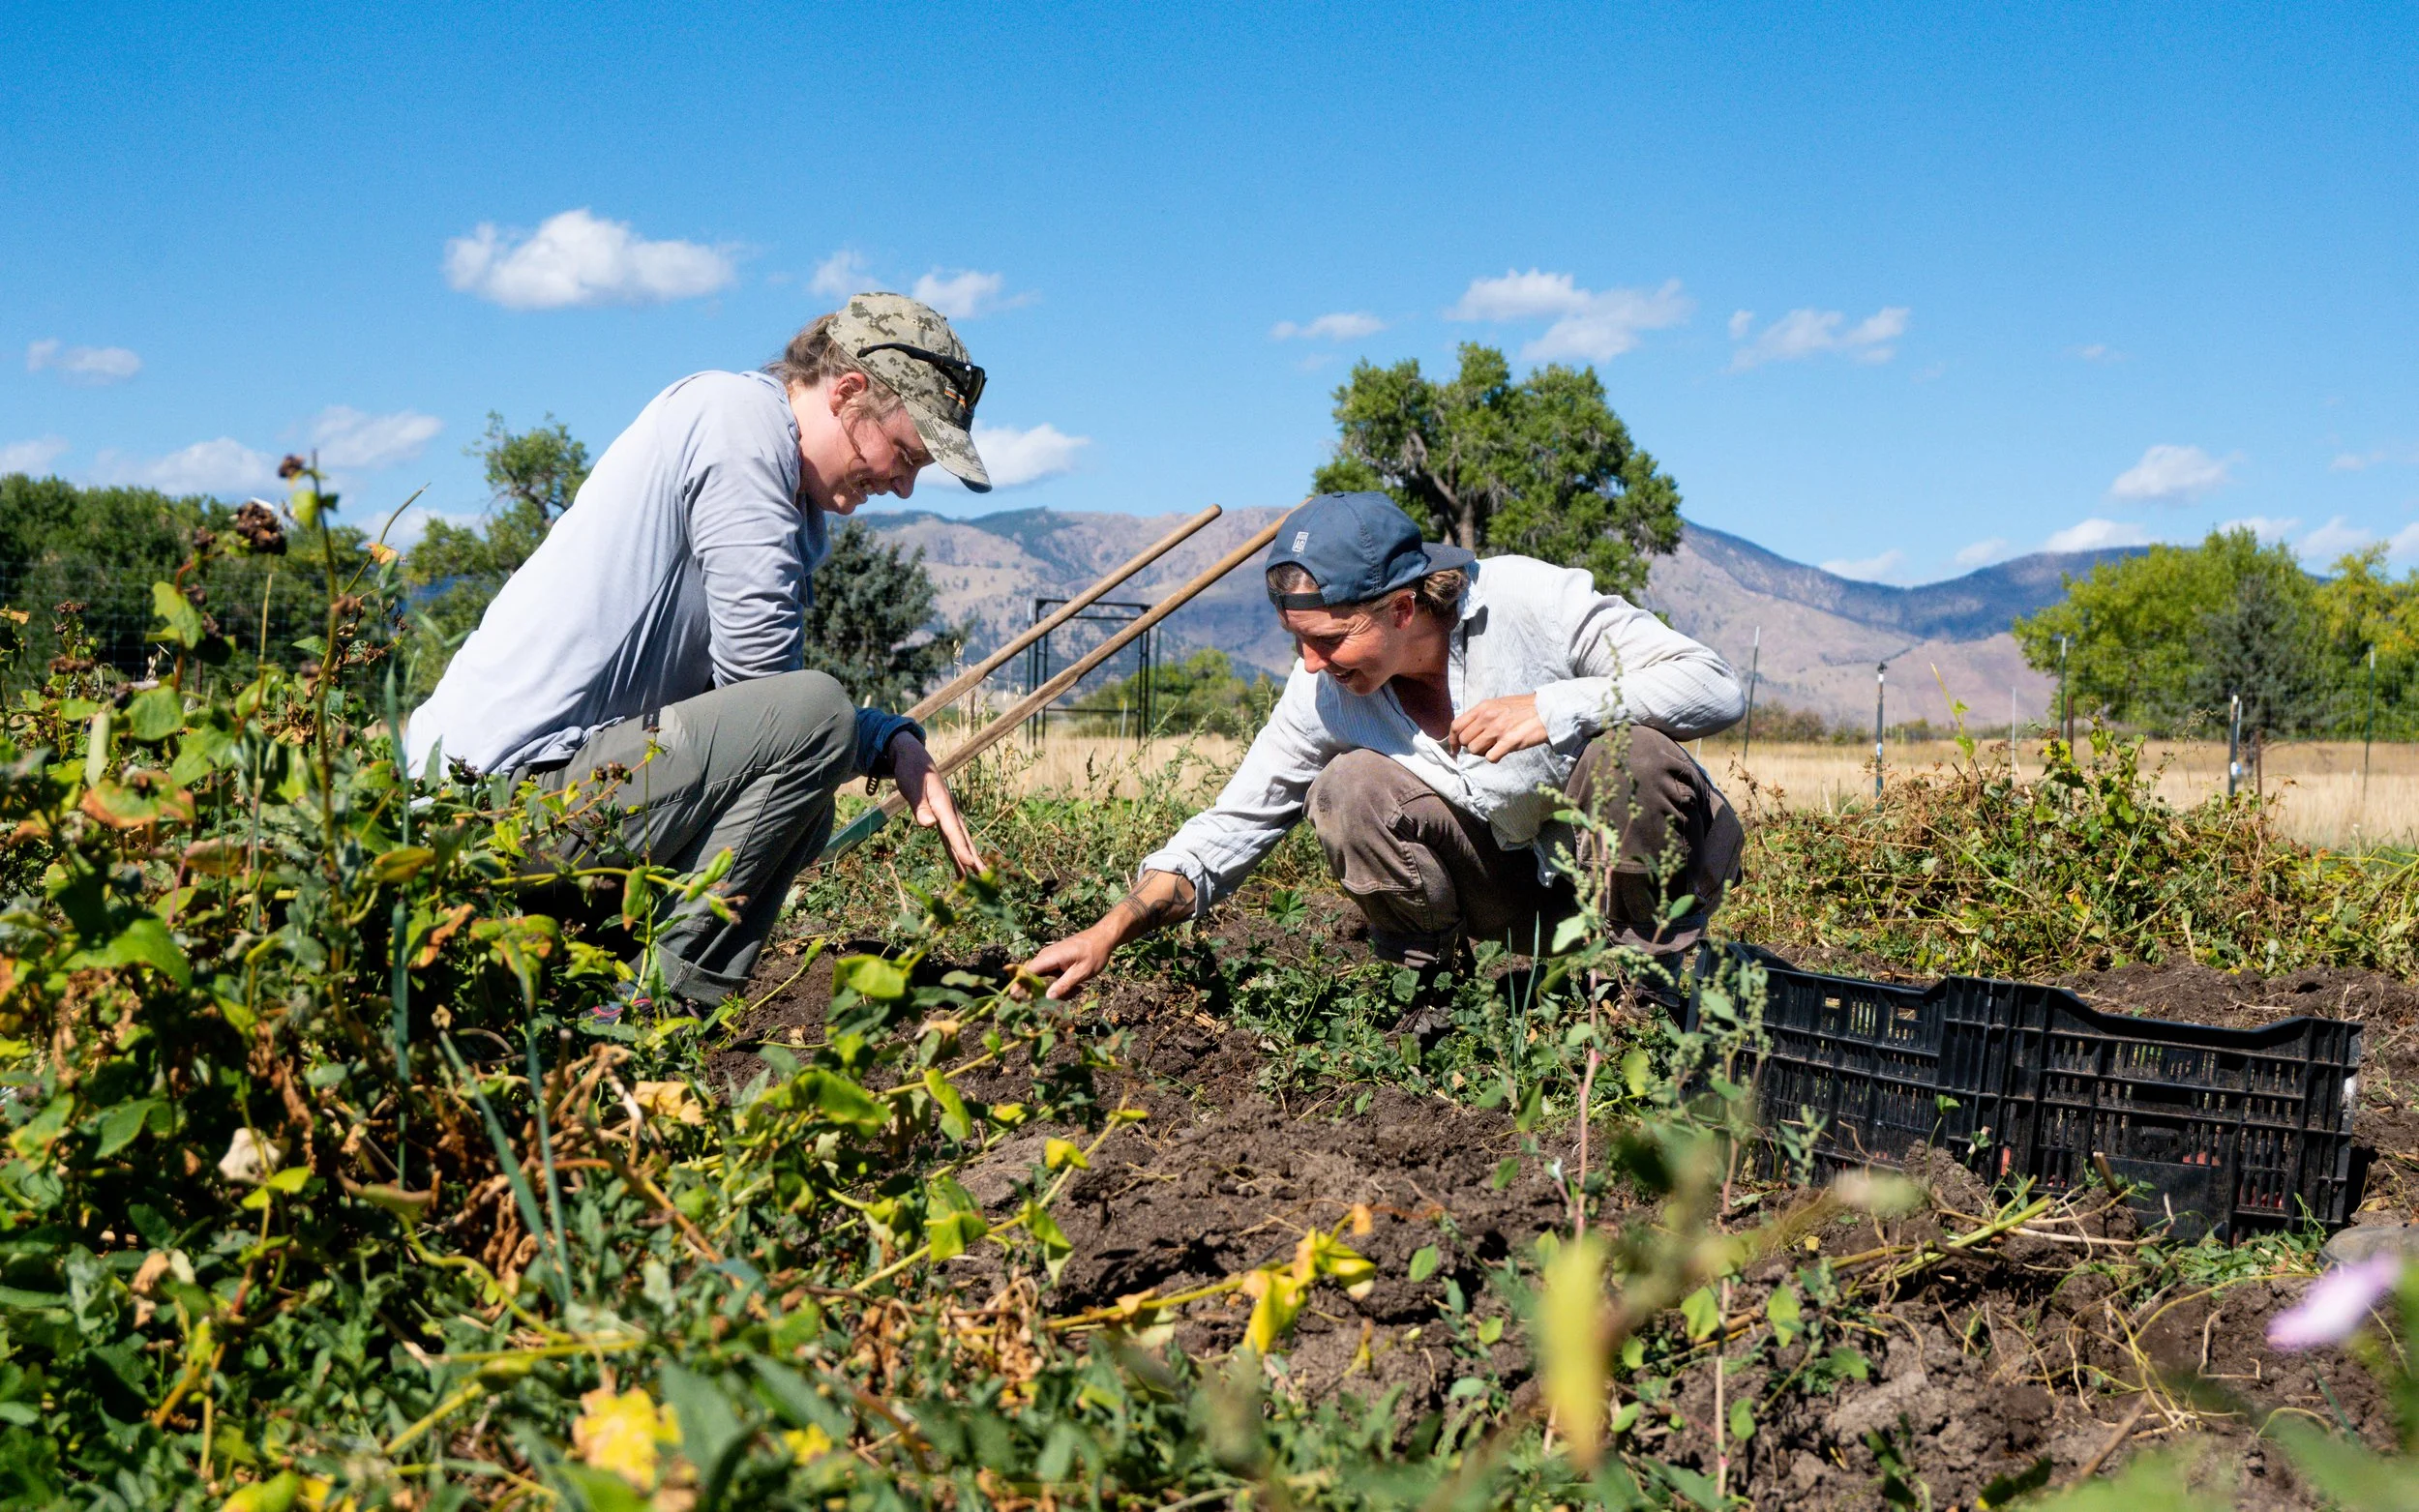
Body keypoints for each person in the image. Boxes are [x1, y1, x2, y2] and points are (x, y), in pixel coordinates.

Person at [405, 292, 990, 1013]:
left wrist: (888, 739)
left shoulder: (780, 477)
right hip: (491, 806)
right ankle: (650, 1013)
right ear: (846, 394)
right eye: (902, 454)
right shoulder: (738, 427)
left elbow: (754, 721)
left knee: (807, 799)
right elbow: (775, 700)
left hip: (537, 798)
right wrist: (872, 737)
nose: (901, 485)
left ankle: (591, 964)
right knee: (817, 721)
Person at [1019, 490, 1747, 1023]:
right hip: (1518, 897)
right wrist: (1108, 929)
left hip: (1624, 878)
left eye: (1330, 641)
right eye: (1296, 641)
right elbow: (1232, 824)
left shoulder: (1530, 601)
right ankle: (1428, 1004)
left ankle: (1636, 998)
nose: (1310, 665)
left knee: (1636, 754)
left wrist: (1555, 708)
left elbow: (1715, 686)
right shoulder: (1328, 694)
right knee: (1350, 786)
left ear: (1402, 609)